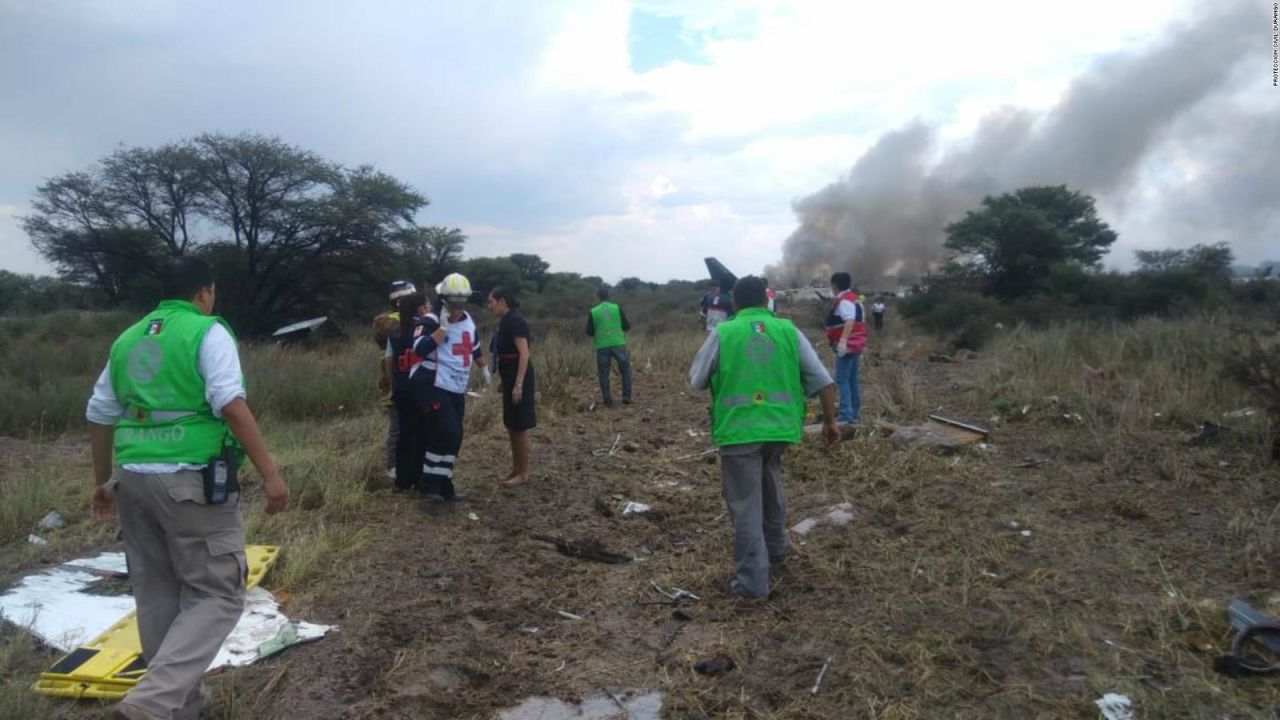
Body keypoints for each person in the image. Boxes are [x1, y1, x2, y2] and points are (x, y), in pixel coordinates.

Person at [85, 256, 288, 720]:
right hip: (190, 481)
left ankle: (182, 705)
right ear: (203, 293)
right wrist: (271, 475)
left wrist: (102, 483)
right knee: (217, 595)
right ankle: (150, 704)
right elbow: (230, 405)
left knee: (157, 593)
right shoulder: (206, 331)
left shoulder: (128, 338)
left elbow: (99, 413)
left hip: (133, 479)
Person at [690, 275, 838, 600]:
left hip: (739, 431)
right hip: (781, 430)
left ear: (735, 303)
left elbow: (697, 380)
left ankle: (752, 585)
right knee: (771, 481)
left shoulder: (724, 333)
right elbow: (823, 382)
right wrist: (830, 423)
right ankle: (777, 549)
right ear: (766, 300)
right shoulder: (788, 330)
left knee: (745, 506)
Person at [406, 273, 486, 502]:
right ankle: (428, 485)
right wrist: (442, 328)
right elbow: (418, 350)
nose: (458, 309)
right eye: (453, 304)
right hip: (430, 383)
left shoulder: (468, 321)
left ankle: (443, 485)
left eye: (462, 303)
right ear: (443, 300)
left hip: (456, 385)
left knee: (455, 436)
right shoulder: (429, 321)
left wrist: (485, 368)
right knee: (446, 432)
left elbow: (475, 347)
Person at [487, 285, 536, 486]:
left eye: (491, 301)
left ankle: (523, 473)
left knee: (520, 426)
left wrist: (518, 384)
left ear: (502, 301)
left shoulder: (515, 321)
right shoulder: (505, 321)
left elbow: (524, 353)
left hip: (519, 377)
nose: (489, 306)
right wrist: (504, 381)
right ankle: (516, 469)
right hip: (509, 376)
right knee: (511, 425)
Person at [385, 289, 431, 492]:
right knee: (422, 433)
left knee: (404, 433)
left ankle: (402, 480)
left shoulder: (394, 331)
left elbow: (388, 360)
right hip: (420, 386)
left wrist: (392, 384)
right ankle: (420, 477)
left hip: (401, 386)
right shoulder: (423, 329)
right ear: (420, 308)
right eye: (427, 306)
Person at [374, 280, 419, 482]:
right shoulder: (394, 323)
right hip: (397, 380)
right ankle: (393, 465)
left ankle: (401, 464)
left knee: (402, 426)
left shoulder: (392, 321)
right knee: (398, 427)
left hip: (399, 380)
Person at [825, 272, 868, 424]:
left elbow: (849, 320)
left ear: (835, 285)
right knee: (851, 380)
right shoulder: (855, 299)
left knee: (842, 380)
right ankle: (854, 413)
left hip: (848, 346)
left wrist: (843, 341)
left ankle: (846, 415)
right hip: (857, 344)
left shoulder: (844, 301)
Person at [586, 286, 633, 406]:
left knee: (603, 373)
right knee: (625, 370)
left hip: (602, 346)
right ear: (608, 296)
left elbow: (589, 331)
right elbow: (627, 326)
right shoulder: (616, 308)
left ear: (598, 298)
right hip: (618, 343)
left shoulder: (593, 311)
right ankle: (626, 396)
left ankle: (607, 400)